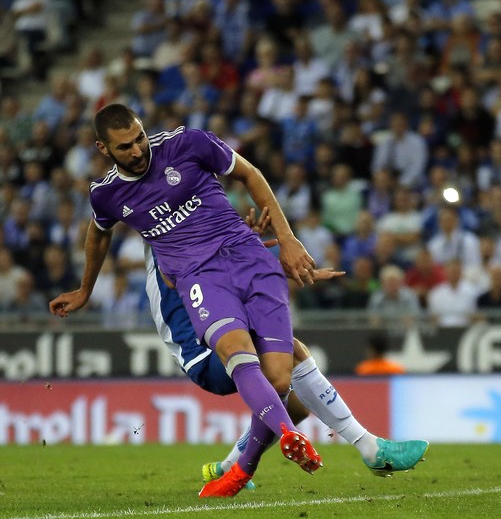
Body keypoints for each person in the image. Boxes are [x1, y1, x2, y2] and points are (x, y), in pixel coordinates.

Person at [46, 105, 418, 497]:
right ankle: (331, 450)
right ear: (103, 148)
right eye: (126, 147)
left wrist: (265, 242)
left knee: (293, 399)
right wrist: (85, 289)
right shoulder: (140, 228)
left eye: (140, 138)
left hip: (233, 278)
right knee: (276, 369)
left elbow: (237, 191)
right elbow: (101, 232)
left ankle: (234, 467)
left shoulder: (186, 148)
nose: (138, 150)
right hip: (196, 342)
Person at [141, 211, 426, 488]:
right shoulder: (165, 236)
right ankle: (369, 447)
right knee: (292, 351)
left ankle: (226, 468)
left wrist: (242, 245)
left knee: (296, 407)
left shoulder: (190, 228)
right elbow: (195, 280)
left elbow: (219, 277)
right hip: (199, 351)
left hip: (222, 330)